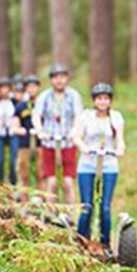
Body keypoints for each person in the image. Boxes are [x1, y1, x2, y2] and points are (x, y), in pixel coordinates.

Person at [72, 82, 126, 249]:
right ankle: (81, 242)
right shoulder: (86, 116)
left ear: (110, 101)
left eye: (105, 98)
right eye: (99, 98)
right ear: (94, 100)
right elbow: (76, 136)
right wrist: (84, 148)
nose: (102, 102)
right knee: (87, 206)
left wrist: (120, 149)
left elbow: (120, 140)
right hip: (87, 164)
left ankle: (105, 244)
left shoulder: (116, 117)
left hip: (108, 164)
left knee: (105, 208)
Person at [32, 63, 83, 203]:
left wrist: (74, 131)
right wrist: (40, 131)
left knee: (68, 183)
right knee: (52, 182)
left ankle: (71, 215)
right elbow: (36, 115)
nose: (59, 80)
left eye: (62, 77)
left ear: (66, 78)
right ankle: (51, 215)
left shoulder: (73, 95)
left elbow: (79, 115)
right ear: (51, 80)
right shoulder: (44, 96)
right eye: (55, 77)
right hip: (49, 142)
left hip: (68, 143)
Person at [14, 74, 41, 191]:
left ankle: (42, 200)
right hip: (24, 143)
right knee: (25, 173)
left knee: (41, 173)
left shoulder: (43, 104)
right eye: (29, 87)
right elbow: (15, 124)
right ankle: (25, 201)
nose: (32, 89)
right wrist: (19, 130)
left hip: (41, 144)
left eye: (34, 86)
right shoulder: (20, 106)